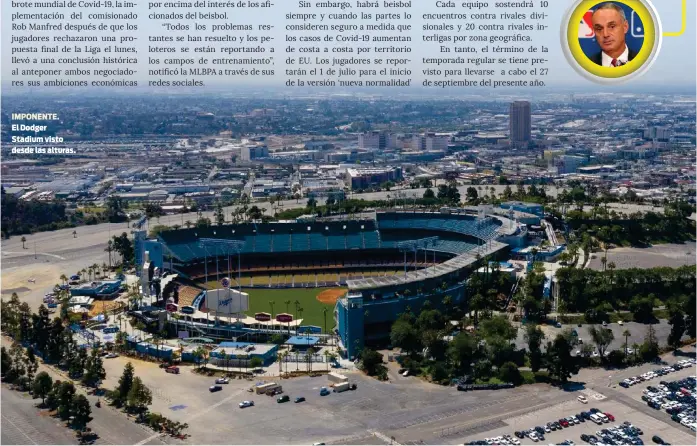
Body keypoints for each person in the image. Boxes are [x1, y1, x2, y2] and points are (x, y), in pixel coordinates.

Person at [590, 2, 638, 67]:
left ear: (625, 27)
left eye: (612, 26)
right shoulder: (586, 66)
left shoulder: (643, 61)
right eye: (599, 29)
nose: (605, 34)